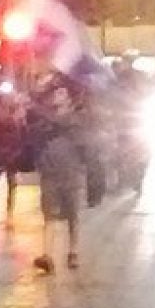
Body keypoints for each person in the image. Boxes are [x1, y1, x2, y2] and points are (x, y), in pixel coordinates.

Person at [32, 84, 88, 274]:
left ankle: (73, 251)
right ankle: (47, 255)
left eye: (61, 93)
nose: (56, 96)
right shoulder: (46, 119)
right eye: (55, 93)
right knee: (49, 215)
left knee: (72, 215)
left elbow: (66, 127)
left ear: (69, 99)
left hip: (70, 173)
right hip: (50, 173)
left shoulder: (76, 119)